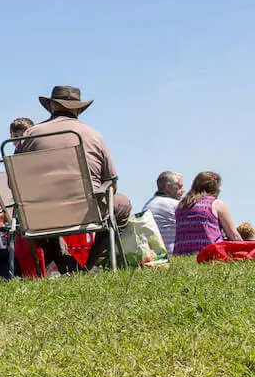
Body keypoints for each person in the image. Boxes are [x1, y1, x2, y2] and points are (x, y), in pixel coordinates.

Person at [18, 85, 131, 273]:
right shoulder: (93, 135)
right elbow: (112, 182)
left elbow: (15, 182)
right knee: (122, 205)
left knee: (43, 217)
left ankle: (69, 266)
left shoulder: (30, 135)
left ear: (51, 107)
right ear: (78, 109)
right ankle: (91, 266)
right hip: (86, 209)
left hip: (41, 213)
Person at [174, 172, 240, 256]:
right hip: (209, 253)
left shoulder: (181, 206)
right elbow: (233, 235)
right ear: (215, 188)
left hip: (181, 254)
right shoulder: (216, 204)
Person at [141, 171, 183, 254]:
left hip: (153, 255)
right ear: (168, 186)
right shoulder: (174, 205)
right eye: (179, 186)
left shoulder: (147, 205)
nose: (183, 190)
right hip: (171, 254)